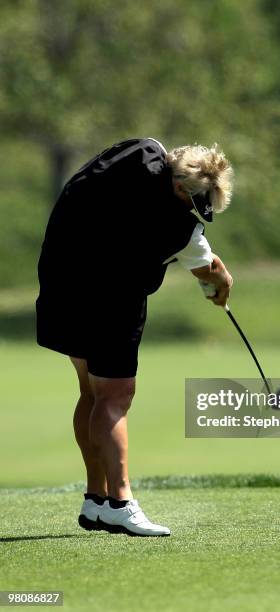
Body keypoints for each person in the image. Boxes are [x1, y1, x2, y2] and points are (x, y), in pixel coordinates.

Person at [36, 138, 234, 536]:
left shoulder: (139, 153)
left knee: (91, 392)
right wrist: (222, 282)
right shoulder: (183, 230)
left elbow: (84, 180)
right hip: (109, 300)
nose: (191, 208)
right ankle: (120, 503)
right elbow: (209, 272)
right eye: (193, 200)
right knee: (115, 396)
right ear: (181, 189)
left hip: (61, 278)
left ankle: (96, 500)